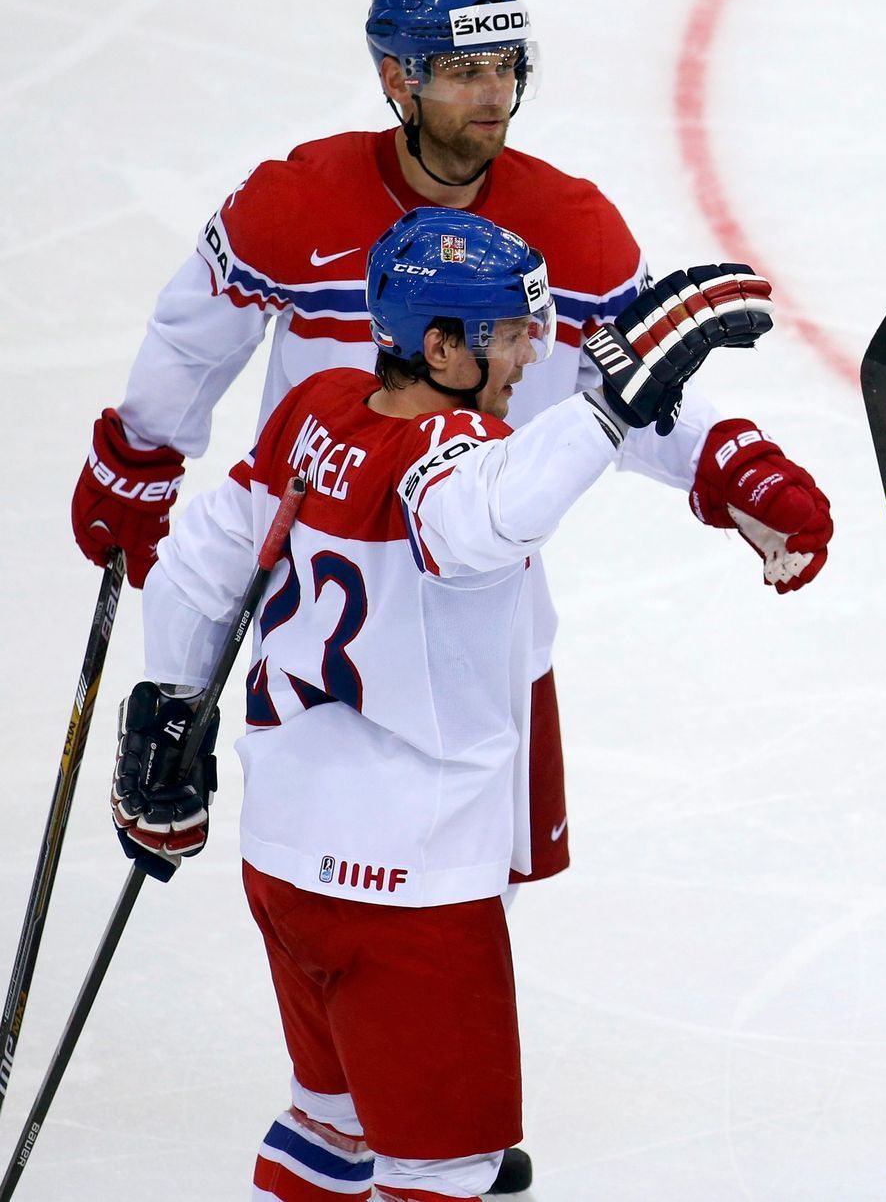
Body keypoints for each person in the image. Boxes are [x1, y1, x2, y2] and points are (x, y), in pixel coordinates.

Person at [70, 0, 830, 1189]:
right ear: (396, 78)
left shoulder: (563, 230)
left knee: (470, 880)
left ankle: (391, 1095)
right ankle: (421, 1122)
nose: (492, 95)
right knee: (428, 896)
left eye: (505, 68)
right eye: (463, 70)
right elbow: (194, 336)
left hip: (448, 623)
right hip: (381, 589)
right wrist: (142, 448)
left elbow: (624, 390)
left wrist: (725, 463)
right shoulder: (294, 203)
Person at [109, 208, 774, 1202]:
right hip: (405, 891)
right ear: (440, 345)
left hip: (285, 858)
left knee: (330, 1124)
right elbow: (488, 510)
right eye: (509, 333)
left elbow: (199, 571)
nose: (528, 354)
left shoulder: (319, 409)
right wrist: (611, 409)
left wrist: (166, 712)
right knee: (442, 1173)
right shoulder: (451, 458)